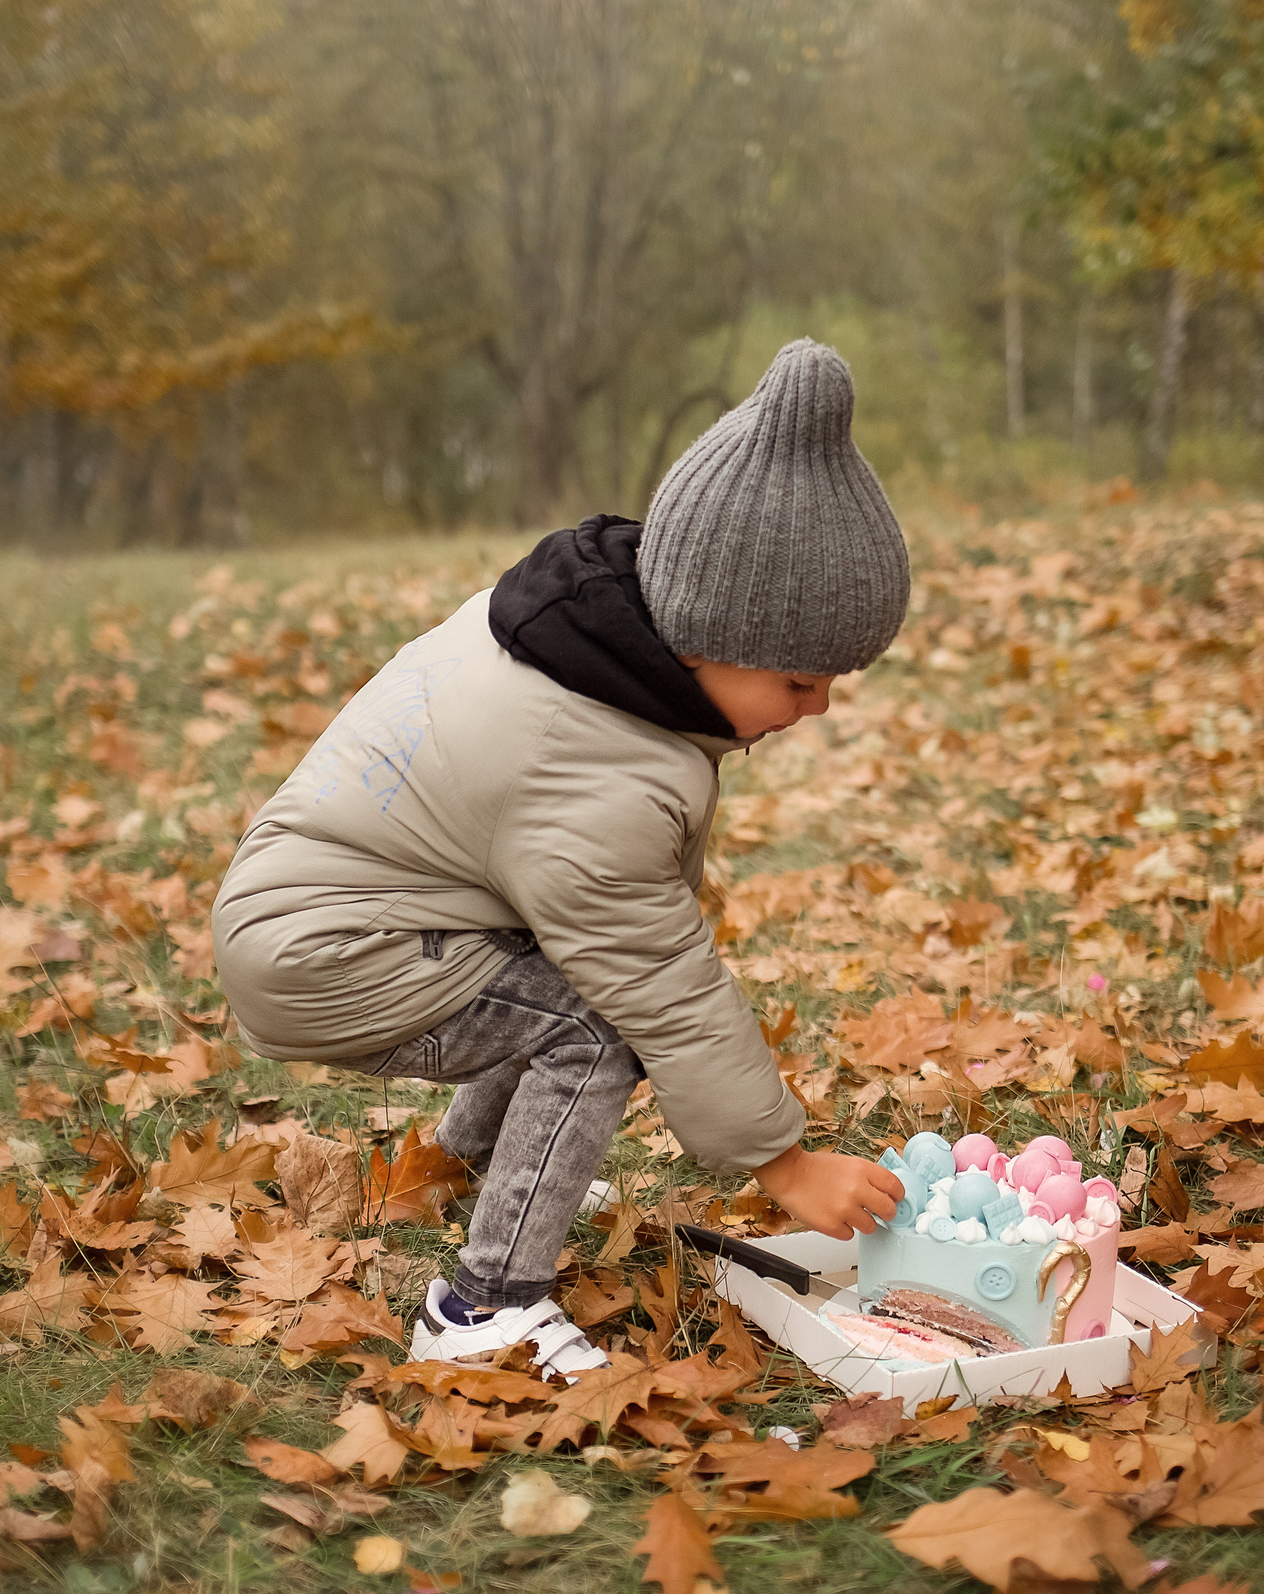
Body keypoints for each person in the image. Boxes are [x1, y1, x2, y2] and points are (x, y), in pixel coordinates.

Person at [211, 339, 909, 1377]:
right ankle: (481, 1308)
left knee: (559, 981)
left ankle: (480, 1156)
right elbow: (657, 986)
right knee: (594, 1029)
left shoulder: (587, 643)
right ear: (705, 638)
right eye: (801, 682)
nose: (817, 710)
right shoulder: (590, 767)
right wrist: (785, 1163)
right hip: (327, 955)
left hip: (339, 915)